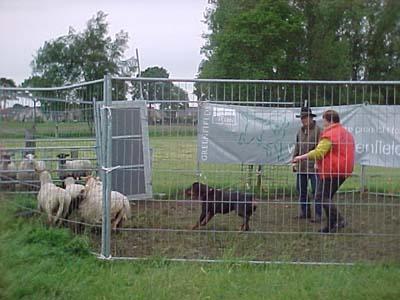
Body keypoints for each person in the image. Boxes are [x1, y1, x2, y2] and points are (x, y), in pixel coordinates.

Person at [292, 109, 355, 233]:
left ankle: (339, 220)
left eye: (325, 120)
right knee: (326, 197)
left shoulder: (330, 134)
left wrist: (301, 157)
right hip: (342, 170)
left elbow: (319, 152)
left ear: (330, 120)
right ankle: (331, 225)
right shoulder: (345, 133)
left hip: (332, 170)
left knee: (320, 197)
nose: (323, 122)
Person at [292, 107, 322, 222]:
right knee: (301, 190)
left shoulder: (319, 131)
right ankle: (305, 212)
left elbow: (320, 149)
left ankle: (318, 214)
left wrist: (318, 163)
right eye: (302, 118)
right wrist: (294, 161)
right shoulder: (300, 131)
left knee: (316, 191)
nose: (303, 120)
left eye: (305, 117)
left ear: (311, 118)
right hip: (302, 166)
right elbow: (297, 146)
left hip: (314, 167)